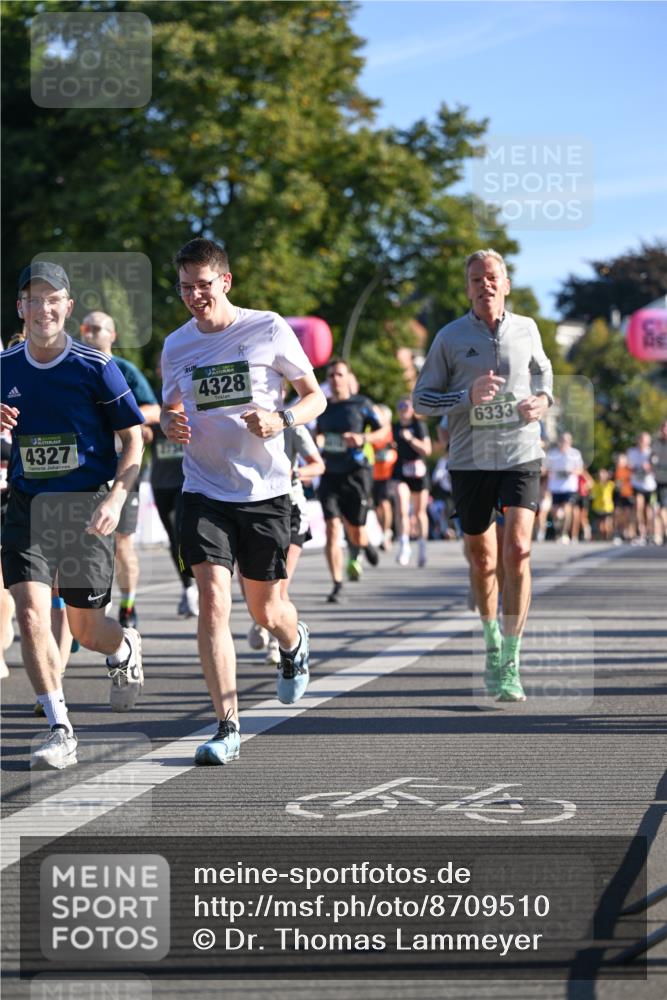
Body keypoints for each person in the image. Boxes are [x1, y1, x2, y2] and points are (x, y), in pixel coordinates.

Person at [160, 237, 326, 765]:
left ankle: (292, 640)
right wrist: (169, 422)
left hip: (265, 491)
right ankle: (227, 726)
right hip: (203, 489)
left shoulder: (268, 328)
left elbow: (314, 396)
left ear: (225, 281)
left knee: (266, 609)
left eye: (203, 286)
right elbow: (168, 410)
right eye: (185, 288)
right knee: (212, 597)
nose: (194, 297)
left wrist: (282, 419)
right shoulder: (175, 345)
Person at [1, 262, 144, 770]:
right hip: (27, 507)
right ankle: (60, 726)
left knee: (86, 630)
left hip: (85, 506)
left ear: (68, 307)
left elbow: (133, 439)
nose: (43, 308)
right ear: (21, 307)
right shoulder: (5, 367)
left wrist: (116, 498)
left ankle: (123, 647)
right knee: (33, 614)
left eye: (53, 299)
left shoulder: (94, 366)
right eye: (33, 299)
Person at [413, 248, 553, 702]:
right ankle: (492, 639)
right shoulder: (449, 338)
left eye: (492, 277)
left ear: (506, 284)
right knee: (483, 560)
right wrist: (465, 396)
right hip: (470, 461)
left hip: (520, 453)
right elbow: (421, 401)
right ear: (468, 288)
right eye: (476, 279)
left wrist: (544, 401)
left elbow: (544, 373)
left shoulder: (528, 329)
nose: (485, 285)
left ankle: (511, 658)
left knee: (517, 550)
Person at [80, 312, 161, 626]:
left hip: (122, 469)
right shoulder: (75, 368)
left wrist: (122, 418)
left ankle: (127, 605)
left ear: (112, 335)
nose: (88, 334)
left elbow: (154, 409)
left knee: (121, 542)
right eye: (85, 328)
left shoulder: (124, 370)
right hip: (85, 468)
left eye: (96, 329)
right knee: (80, 540)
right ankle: (83, 609)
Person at [246, 424, 325, 665]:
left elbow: (318, 465)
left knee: (279, 583)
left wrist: (296, 472)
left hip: (291, 508)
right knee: (251, 581)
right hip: (256, 508)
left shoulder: (293, 427)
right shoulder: (243, 421)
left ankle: (278, 644)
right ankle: (261, 618)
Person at [315, 358, 383, 603]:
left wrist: (363, 439)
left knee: (356, 531)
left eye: (339, 375)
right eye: (331, 376)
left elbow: (383, 431)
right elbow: (319, 434)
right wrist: (319, 443)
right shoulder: (322, 407)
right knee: (332, 528)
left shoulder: (361, 404)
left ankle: (364, 544)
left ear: (348, 377)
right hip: (330, 474)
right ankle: (337, 584)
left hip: (356, 473)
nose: (334, 380)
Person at [392, 396, 432, 567]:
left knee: (419, 512)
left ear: (413, 409)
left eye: (407, 406)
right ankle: (404, 546)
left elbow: (427, 450)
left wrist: (410, 439)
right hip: (401, 471)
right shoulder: (394, 428)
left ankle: (422, 546)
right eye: (400, 405)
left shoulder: (419, 426)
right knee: (401, 506)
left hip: (419, 472)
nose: (403, 409)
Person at [545, 432, 584, 544]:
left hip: (569, 487)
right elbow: (546, 469)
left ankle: (564, 534)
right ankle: (558, 531)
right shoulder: (552, 454)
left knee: (567, 509)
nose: (564, 443)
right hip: (556, 488)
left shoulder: (575, 453)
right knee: (556, 513)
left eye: (567, 441)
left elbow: (580, 470)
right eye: (562, 440)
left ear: (570, 442)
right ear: (559, 442)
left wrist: (572, 471)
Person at [371, 404, 397, 552]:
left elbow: (394, 449)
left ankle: (387, 533)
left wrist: (389, 455)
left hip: (388, 473)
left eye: (379, 414)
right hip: (373, 473)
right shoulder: (373, 431)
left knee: (384, 502)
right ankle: (384, 532)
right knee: (376, 507)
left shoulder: (390, 431)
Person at [627, 431, 658, 545]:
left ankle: (650, 533)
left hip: (650, 486)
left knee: (649, 511)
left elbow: (656, 467)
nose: (643, 443)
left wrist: (649, 468)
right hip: (637, 484)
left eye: (645, 441)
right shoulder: (632, 452)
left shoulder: (651, 453)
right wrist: (634, 468)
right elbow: (628, 466)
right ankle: (641, 532)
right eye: (641, 440)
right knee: (638, 507)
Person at [651, 419, 667, 544]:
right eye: (664, 427)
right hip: (661, 480)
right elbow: (652, 459)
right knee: (662, 508)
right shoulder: (657, 444)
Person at [590, 468, 615, 541]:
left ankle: (609, 536)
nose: (603, 476)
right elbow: (592, 495)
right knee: (601, 525)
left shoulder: (611, 484)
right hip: (598, 507)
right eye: (601, 474)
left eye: (604, 474)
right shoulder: (595, 485)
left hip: (608, 507)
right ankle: (602, 536)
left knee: (608, 523)